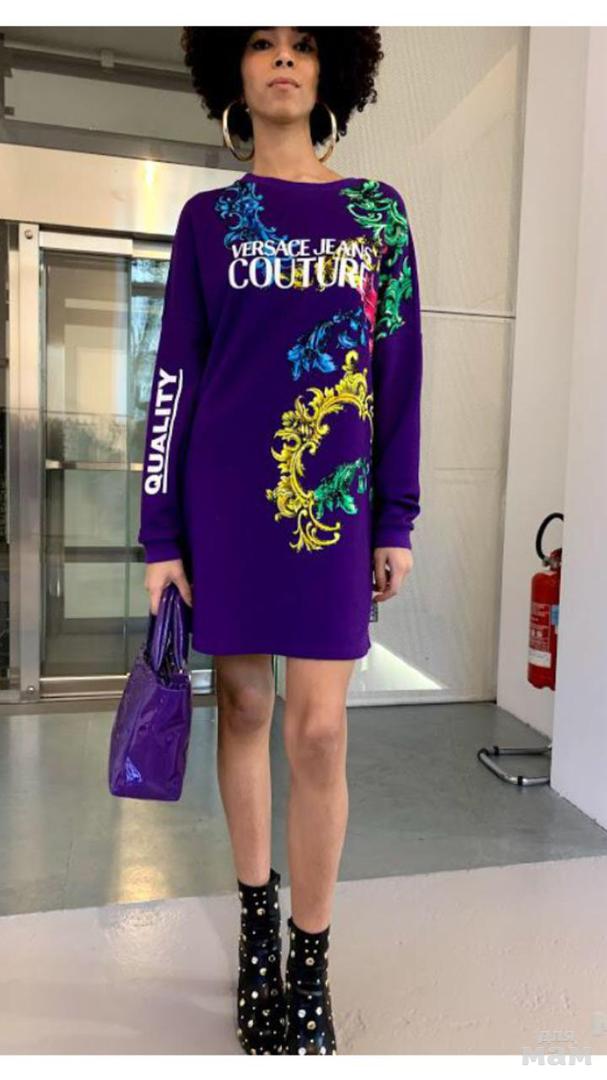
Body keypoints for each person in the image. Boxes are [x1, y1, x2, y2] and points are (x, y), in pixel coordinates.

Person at [138, 25, 423, 1056]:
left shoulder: (376, 214)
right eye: (261, 44)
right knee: (246, 707)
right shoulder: (209, 220)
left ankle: (313, 951)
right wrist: (159, 532)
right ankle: (256, 933)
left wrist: (395, 514)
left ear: (333, 68)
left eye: (304, 44)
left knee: (319, 731)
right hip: (224, 500)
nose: (284, 59)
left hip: (330, 507)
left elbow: (398, 370)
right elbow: (174, 375)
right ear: (235, 71)